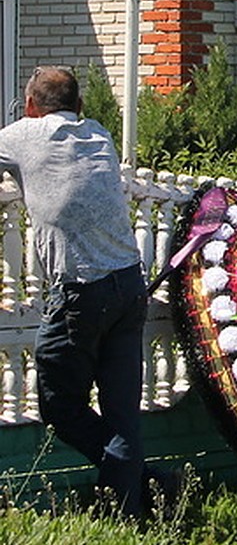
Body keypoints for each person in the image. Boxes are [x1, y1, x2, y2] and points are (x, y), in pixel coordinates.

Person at [0, 66, 148, 518]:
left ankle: (148, 484)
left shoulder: (25, 135)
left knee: (60, 407)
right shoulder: (98, 132)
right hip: (129, 283)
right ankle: (131, 508)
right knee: (122, 414)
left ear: (30, 107)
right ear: (81, 107)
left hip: (81, 291)